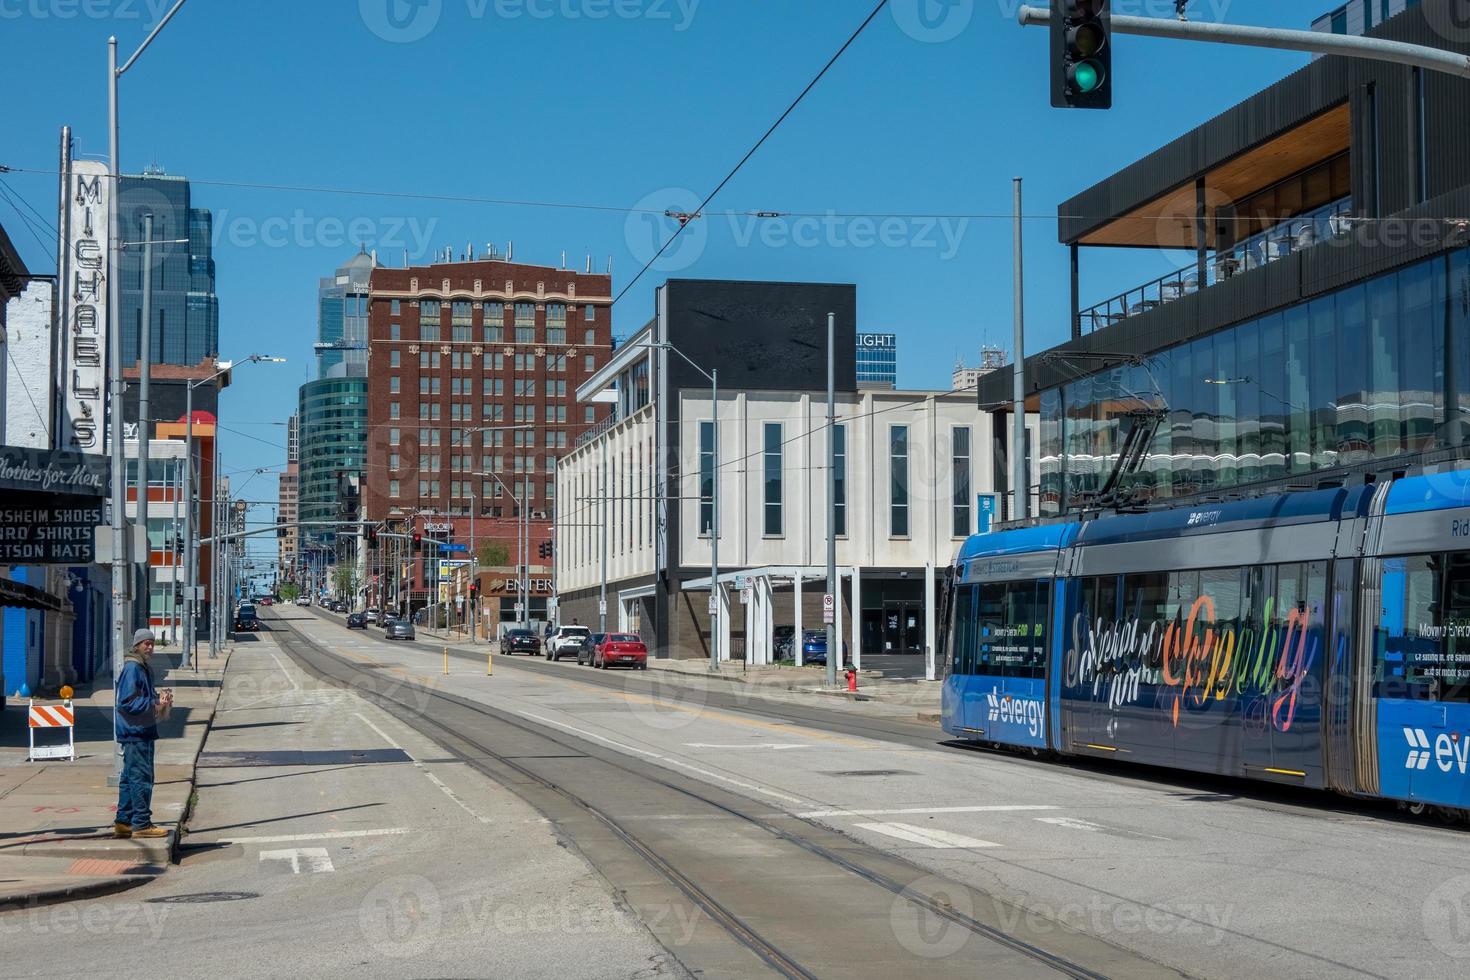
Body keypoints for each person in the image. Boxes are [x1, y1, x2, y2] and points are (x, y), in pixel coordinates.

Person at [114, 629, 173, 839]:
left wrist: (159, 699)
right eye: (146, 643)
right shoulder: (134, 668)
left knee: (129, 777)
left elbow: (139, 697)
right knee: (142, 778)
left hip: (137, 730)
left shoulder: (140, 667)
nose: (149, 647)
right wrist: (154, 704)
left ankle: (124, 822)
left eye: (152, 643)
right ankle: (141, 823)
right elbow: (127, 702)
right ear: (136, 645)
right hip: (137, 731)